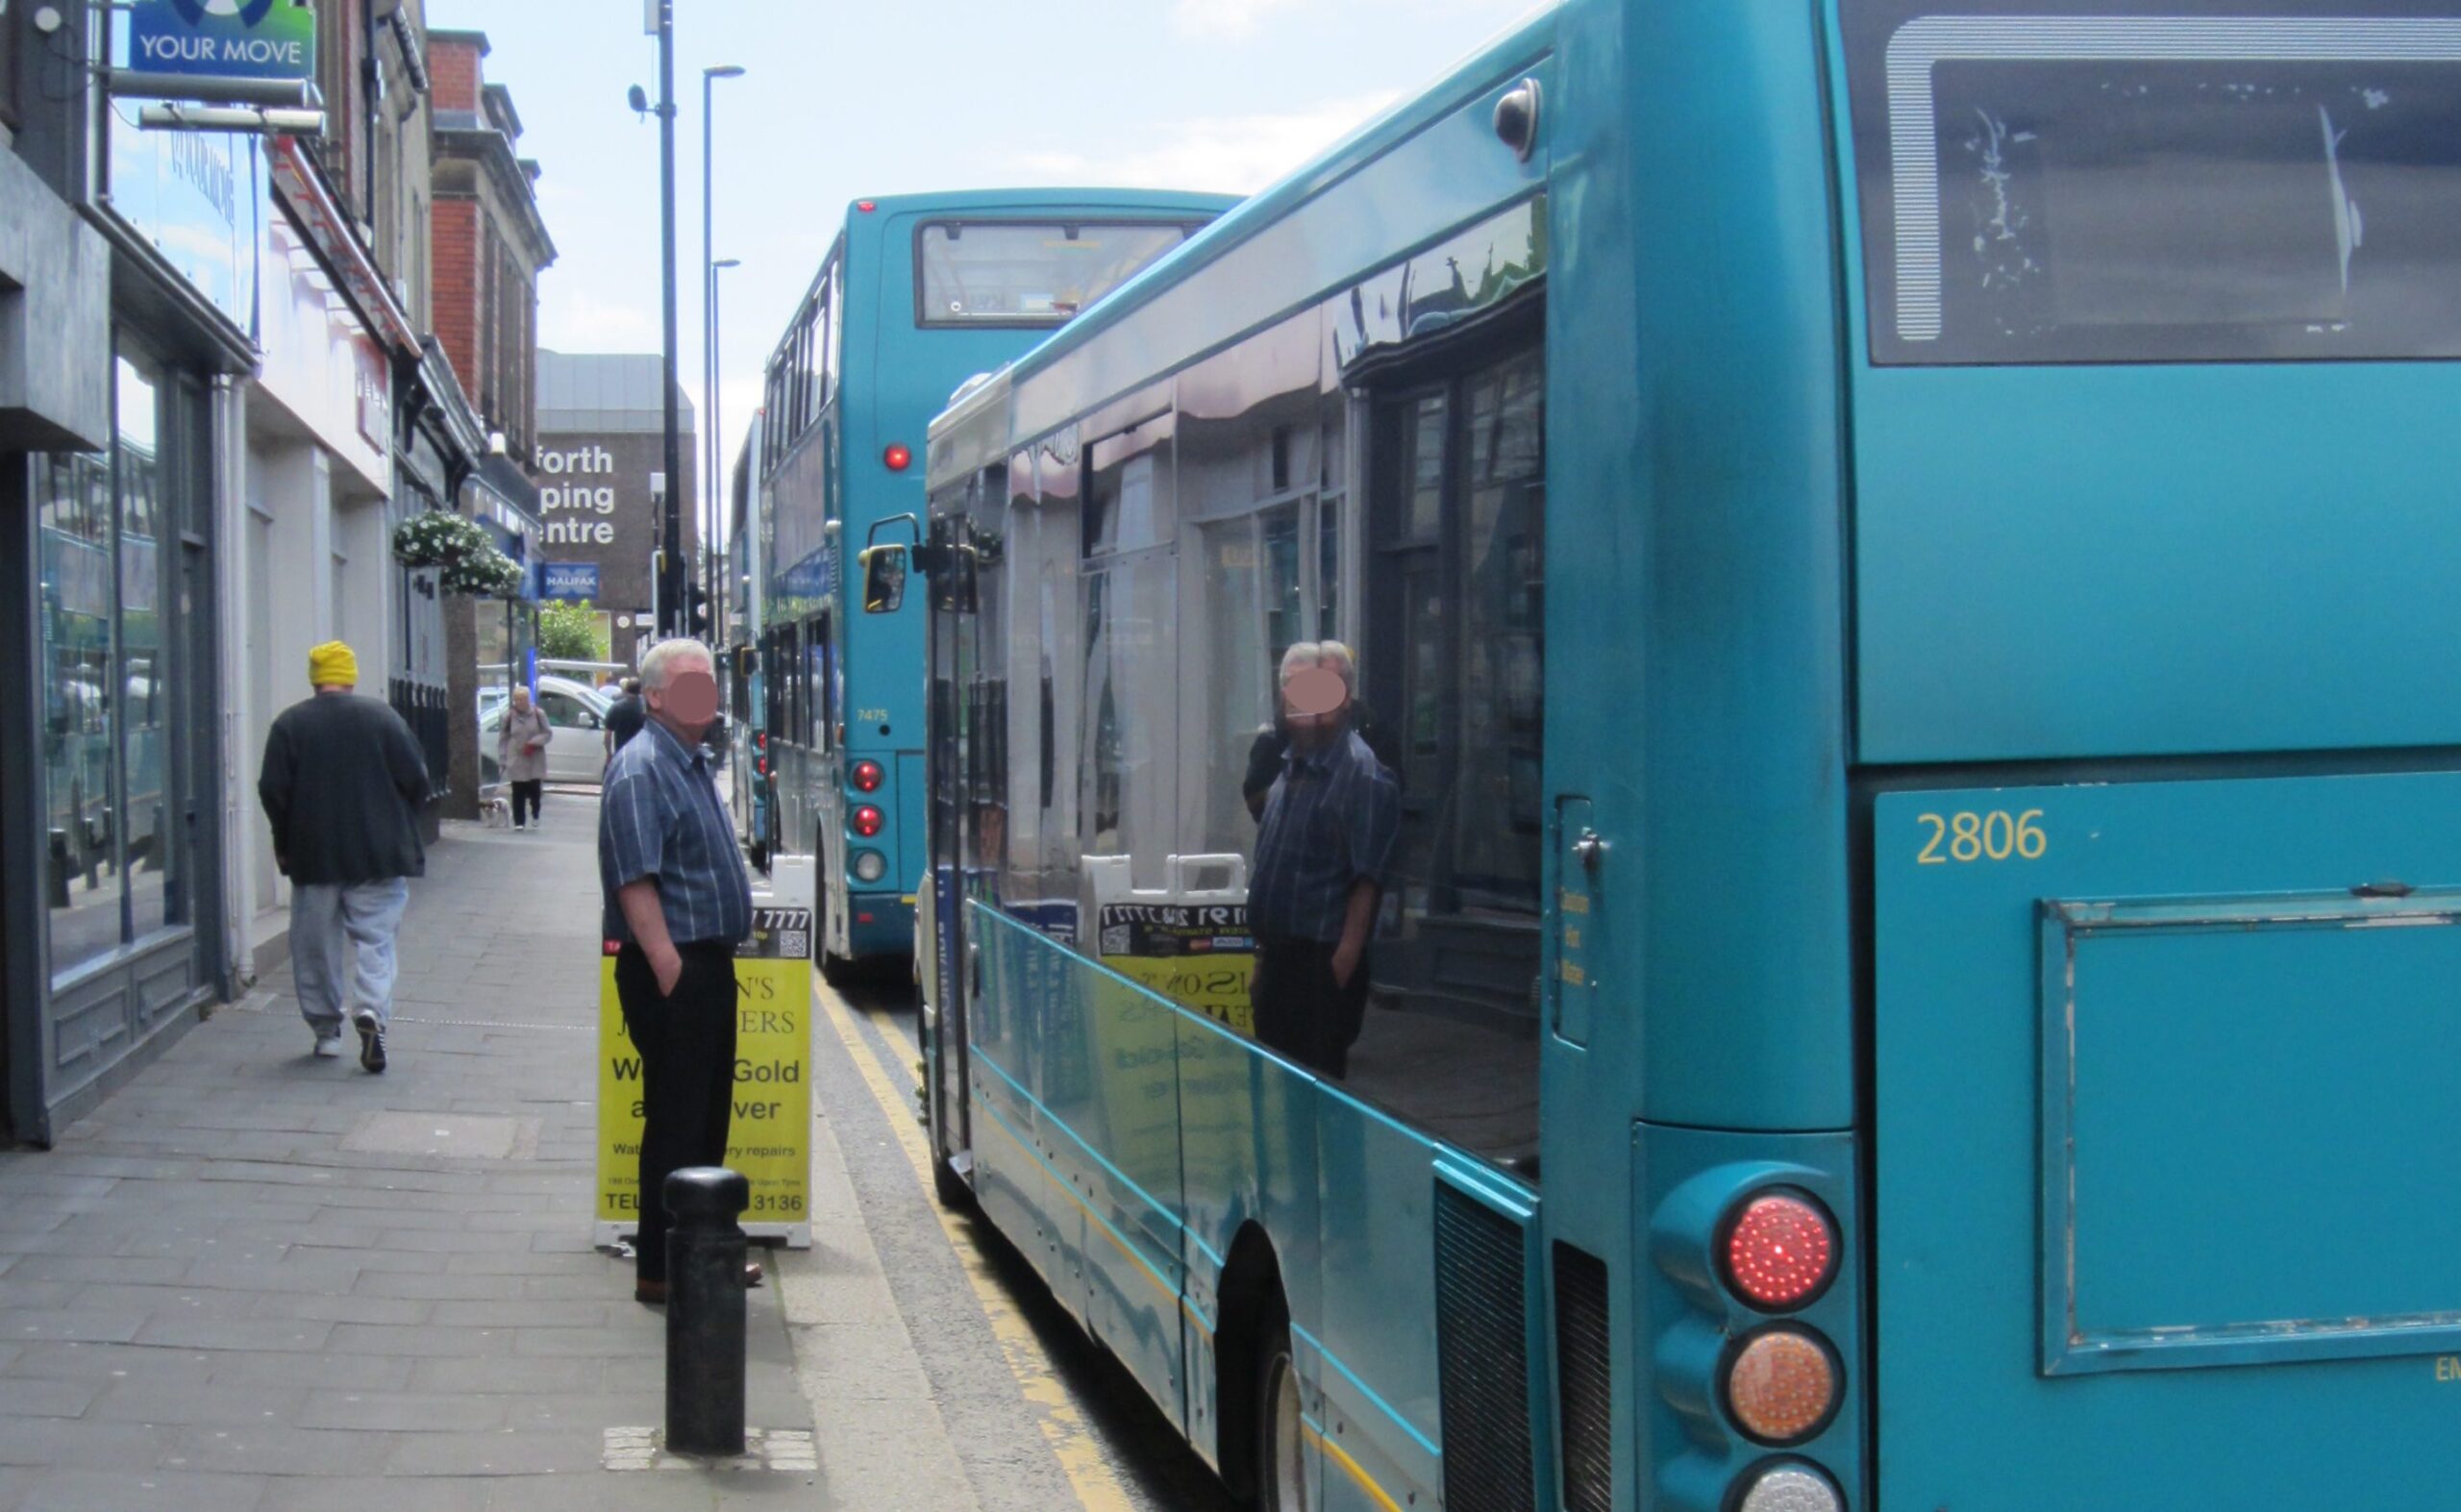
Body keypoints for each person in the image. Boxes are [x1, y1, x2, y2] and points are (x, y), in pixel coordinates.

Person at [598, 638, 758, 1305]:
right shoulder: (641, 768)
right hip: (675, 965)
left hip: (704, 963)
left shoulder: (688, 761)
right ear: (656, 696)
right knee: (676, 1121)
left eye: (711, 683)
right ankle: (663, 1269)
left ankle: (702, 1254)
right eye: (692, 684)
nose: (708, 695)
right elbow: (635, 877)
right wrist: (670, 969)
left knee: (704, 1119)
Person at [257, 640, 431, 1073]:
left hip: (314, 851)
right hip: (379, 852)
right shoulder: (382, 718)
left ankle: (325, 1030)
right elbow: (418, 778)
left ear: (315, 679)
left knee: (314, 941)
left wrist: (285, 839)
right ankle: (371, 1010)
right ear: (350, 676)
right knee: (376, 939)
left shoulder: (290, 725)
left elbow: (272, 790)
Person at [1246, 641, 1399, 1078]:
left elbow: (1366, 878)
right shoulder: (1291, 765)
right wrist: (1262, 958)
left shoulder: (1362, 774)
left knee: (1318, 1093)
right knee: (1281, 1092)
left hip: (1318, 963)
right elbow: (1272, 859)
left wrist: (1341, 963)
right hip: (1280, 959)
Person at [496, 684, 552, 830]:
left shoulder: (538, 714)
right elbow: (503, 738)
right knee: (518, 790)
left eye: (521, 699)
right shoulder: (509, 716)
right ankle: (519, 821)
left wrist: (534, 742)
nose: (518, 703)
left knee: (534, 790)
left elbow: (548, 733)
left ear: (528, 699)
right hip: (516, 757)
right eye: (516, 700)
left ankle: (535, 813)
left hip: (534, 757)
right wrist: (502, 759)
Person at [603, 676, 646, 763]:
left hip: (621, 751)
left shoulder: (616, 707)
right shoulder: (645, 707)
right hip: (642, 751)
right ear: (640, 690)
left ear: (626, 689)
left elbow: (608, 734)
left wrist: (609, 753)